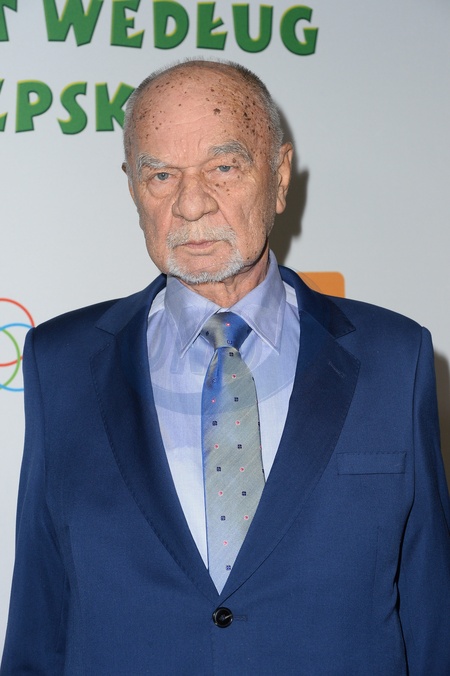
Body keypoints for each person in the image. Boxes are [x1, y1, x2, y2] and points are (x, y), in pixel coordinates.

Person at [2, 59, 450, 675]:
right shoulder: (61, 363)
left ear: (280, 177)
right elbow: (40, 616)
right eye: (161, 174)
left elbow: (432, 619)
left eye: (223, 168)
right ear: (132, 188)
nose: (190, 204)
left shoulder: (395, 358)